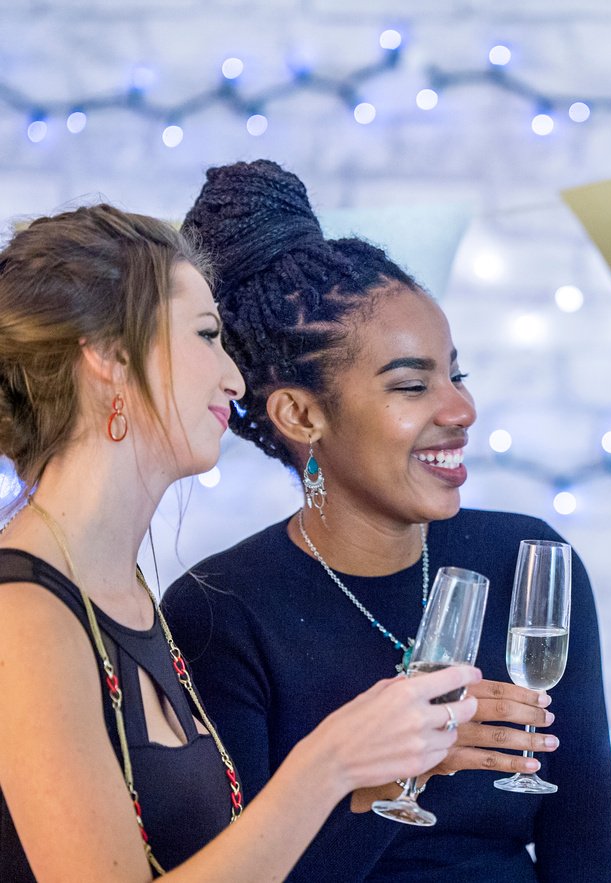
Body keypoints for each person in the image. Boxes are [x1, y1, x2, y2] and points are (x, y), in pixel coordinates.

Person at [160, 160, 611, 882]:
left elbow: (585, 855)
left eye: (455, 375)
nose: (460, 410)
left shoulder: (526, 560)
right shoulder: (219, 612)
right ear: (301, 414)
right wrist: (393, 776)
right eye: (413, 384)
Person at [0, 205, 478, 881]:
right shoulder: (22, 611)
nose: (233, 378)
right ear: (107, 356)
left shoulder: (124, 589)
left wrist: (373, 778)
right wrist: (331, 760)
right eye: (204, 335)